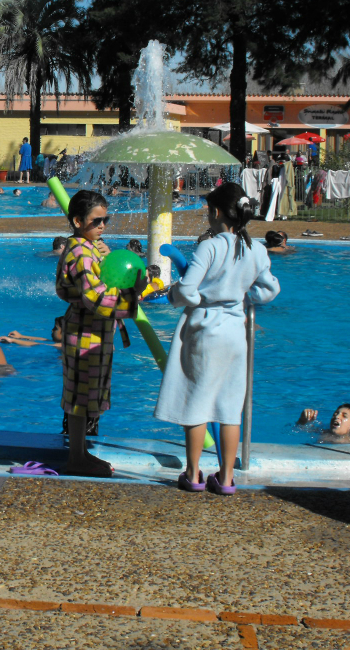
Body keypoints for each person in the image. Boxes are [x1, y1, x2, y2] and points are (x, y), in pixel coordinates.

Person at [154, 182, 279, 495]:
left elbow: (186, 289)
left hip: (204, 331)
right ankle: (225, 478)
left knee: (195, 402)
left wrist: (190, 300)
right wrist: (244, 297)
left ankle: (194, 473)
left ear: (216, 212)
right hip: (236, 333)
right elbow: (269, 289)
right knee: (229, 407)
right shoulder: (256, 249)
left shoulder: (210, 246)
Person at [57, 189, 147, 478]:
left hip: (94, 330)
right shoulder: (81, 253)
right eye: (97, 221)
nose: (103, 226)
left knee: (87, 393)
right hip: (85, 331)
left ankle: (80, 451)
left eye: (105, 220)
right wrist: (130, 297)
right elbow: (95, 297)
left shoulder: (90, 247)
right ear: (78, 220)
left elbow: (96, 281)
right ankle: (76, 457)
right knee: (80, 395)